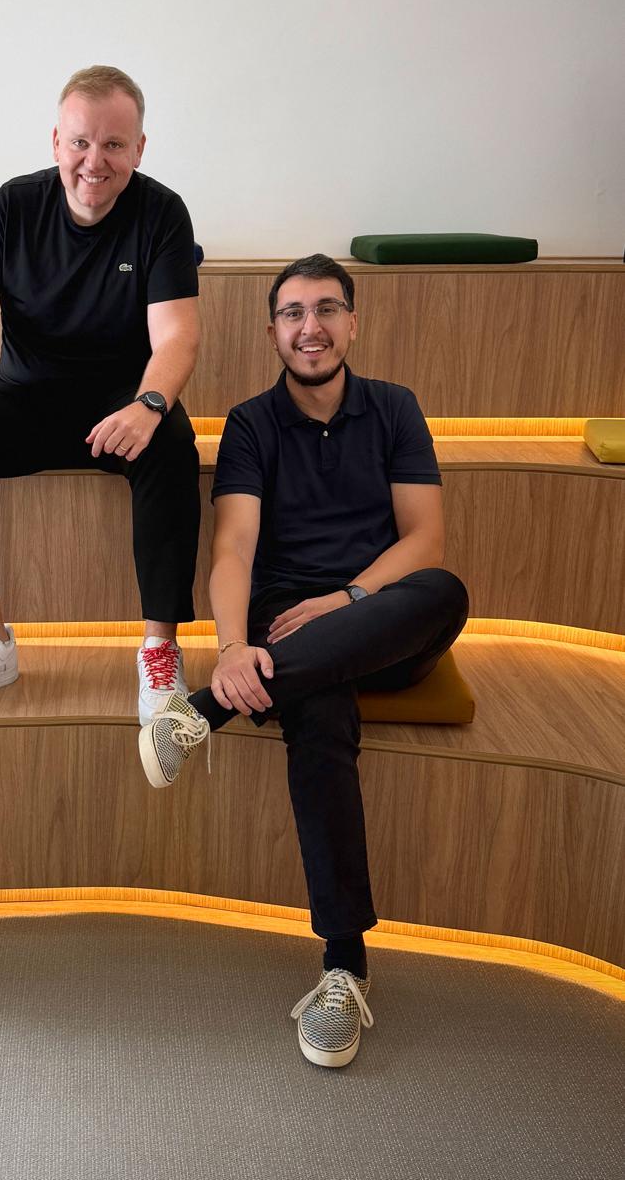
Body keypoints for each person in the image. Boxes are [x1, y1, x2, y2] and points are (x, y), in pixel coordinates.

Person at [138, 254, 468, 1067]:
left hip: (379, 617)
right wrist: (231, 645)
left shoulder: (394, 408)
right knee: (317, 712)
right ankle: (343, 966)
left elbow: (423, 539)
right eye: (292, 313)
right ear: (272, 331)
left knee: (444, 589)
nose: (309, 327)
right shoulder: (251, 423)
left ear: (352, 323)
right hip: (282, 629)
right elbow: (232, 549)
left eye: (325, 310)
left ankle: (203, 712)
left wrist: (346, 600)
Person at [0, 65, 201, 722]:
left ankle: (160, 650)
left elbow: (177, 334)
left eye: (113, 144)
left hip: (124, 408)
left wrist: (149, 404)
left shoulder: (161, 212)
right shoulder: (15, 204)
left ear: (139, 149)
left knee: (173, 443)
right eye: (80, 142)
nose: (94, 161)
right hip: (28, 399)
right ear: (55, 143)